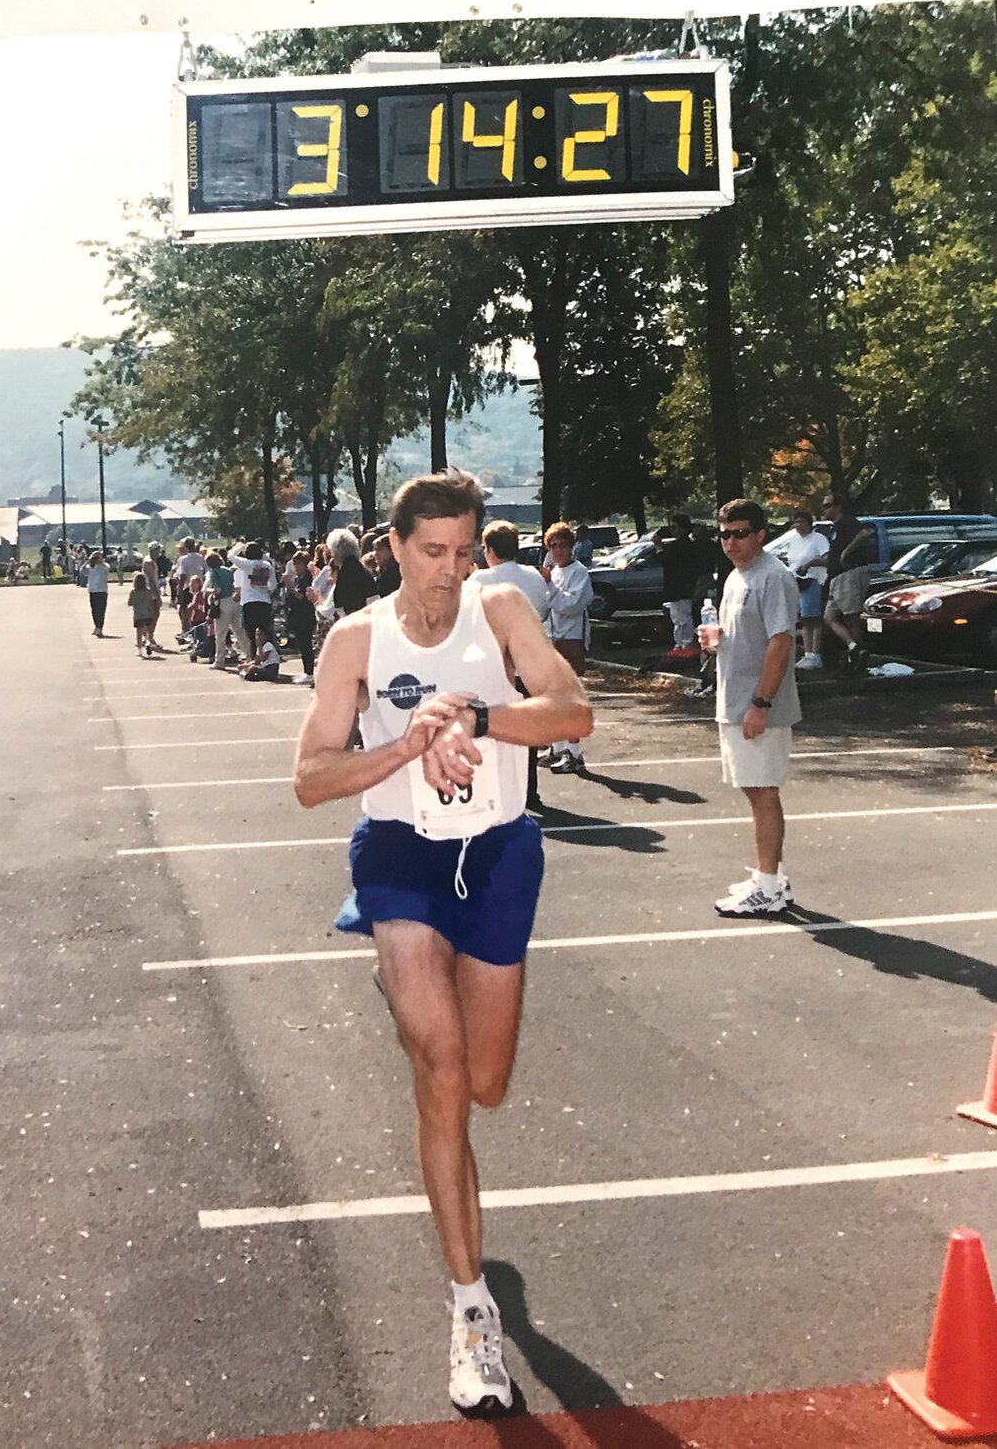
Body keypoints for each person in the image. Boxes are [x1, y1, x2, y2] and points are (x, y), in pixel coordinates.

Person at [293, 470, 593, 1416]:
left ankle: (424, 1005)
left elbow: (574, 711)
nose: (449, 572)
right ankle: (471, 1312)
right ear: (391, 548)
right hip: (401, 861)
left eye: (464, 551)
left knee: (487, 1085)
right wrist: (408, 743)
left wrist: (478, 717)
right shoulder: (356, 638)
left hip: (499, 856)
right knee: (440, 1068)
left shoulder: (500, 609)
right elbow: (309, 777)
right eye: (432, 553)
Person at [701, 499, 800, 917]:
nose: (731, 542)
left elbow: (781, 642)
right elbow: (748, 634)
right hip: (735, 701)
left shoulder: (773, 577)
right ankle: (770, 877)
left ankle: (768, 885)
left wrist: (761, 703)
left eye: (740, 533)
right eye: (724, 534)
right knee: (753, 789)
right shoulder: (736, 577)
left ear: (761, 534)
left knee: (762, 791)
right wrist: (717, 637)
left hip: (757, 706)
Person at [473, 519, 551, 811]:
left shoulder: (480, 581)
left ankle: (499, 789)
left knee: (494, 729)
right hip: (530, 663)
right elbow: (543, 611)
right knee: (527, 730)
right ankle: (530, 789)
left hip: (495, 665)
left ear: (490, 549)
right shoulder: (533, 576)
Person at [539, 521, 594, 775]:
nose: (558, 550)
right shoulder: (553, 572)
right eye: (553, 545)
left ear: (571, 547)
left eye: (563, 545)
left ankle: (575, 753)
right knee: (552, 697)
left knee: (569, 699)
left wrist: (549, 586)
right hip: (552, 638)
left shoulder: (579, 572)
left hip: (571, 639)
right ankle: (557, 746)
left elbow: (569, 606)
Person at [814, 492, 874, 673]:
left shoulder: (848, 522)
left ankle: (857, 660)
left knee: (851, 619)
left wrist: (846, 553)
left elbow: (864, 534)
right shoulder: (834, 529)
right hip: (836, 578)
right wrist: (811, 562)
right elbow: (831, 559)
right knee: (828, 618)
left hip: (849, 574)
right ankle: (854, 648)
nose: (824, 509)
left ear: (838, 506)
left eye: (827, 505)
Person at [783, 511, 831, 670]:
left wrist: (811, 563)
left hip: (812, 580)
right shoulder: (794, 540)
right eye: (796, 522)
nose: (798, 526)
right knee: (803, 619)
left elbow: (827, 559)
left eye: (801, 522)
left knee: (813, 618)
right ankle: (807, 653)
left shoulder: (818, 539)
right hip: (796, 581)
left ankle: (816, 654)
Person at [651, 514, 700, 658]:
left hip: (681, 587)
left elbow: (665, 560)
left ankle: (686, 644)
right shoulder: (679, 545)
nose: (672, 531)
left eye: (674, 527)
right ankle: (680, 644)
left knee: (683, 617)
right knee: (677, 618)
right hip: (676, 587)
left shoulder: (683, 546)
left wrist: (658, 547)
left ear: (683, 529)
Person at [228, 540, 277, 658]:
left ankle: (255, 658)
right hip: (264, 601)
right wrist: (267, 590)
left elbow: (230, 556)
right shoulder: (267, 565)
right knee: (266, 632)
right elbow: (273, 585)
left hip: (249, 602)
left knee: (251, 634)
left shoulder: (247, 565)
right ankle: (268, 657)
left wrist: (239, 546)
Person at [283, 548, 317, 685]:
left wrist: (290, 586)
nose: (296, 567)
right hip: (297, 614)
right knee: (301, 644)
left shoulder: (308, 578)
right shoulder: (298, 578)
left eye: (299, 564)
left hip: (306, 614)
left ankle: (310, 672)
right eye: (294, 564)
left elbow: (302, 596)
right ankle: (306, 670)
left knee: (306, 643)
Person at [327, 527, 376, 616]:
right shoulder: (363, 570)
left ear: (337, 552)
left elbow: (340, 605)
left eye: (332, 552)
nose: (332, 556)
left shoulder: (344, 574)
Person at [206, 551, 242, 669]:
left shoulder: (213, 572)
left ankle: (219, 660)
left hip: (222, 603)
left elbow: (218, 590)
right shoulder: (227, 570)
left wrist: (208, 591)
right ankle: (249, 655)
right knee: (238, 631)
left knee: (220, 633)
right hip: (234, 601)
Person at [173, 538, 207, 630]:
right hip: (200, 588)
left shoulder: (183, 559)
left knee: (184, 611)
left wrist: (179, 592)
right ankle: (196, 629)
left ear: (185, 546)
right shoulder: (201, 558)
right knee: (199, 611)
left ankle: (186, 629)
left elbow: (182, 576)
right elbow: (206, 572)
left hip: (188, 588)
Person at [141, 542, 166, 652]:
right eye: (158, 550)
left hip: (151, 592)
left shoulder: (151, 561)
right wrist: (157, 595)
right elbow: (151, 581)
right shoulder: (149, 562)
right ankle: (149, 637)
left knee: (153, 614)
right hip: (150, 593)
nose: (159, 553)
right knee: (154, 614)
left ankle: (148, 636)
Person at [127, 572, 157, 657]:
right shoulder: (148, 592)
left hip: (138, 614)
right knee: (146, 631)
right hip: (148, 614)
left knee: (139, 633)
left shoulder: (133, 592)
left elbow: (130, 603)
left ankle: (140, 650)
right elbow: (151, 602)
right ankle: (147, 642)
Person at [85, 550, 110, 636]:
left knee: (101, 610)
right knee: (94, 610)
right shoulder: (90, 567)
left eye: (97, 557)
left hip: (102, 591)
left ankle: (100, 628)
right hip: (93, 591)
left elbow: (107, 569)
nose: (96, 559)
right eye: (94, 557)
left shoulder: (105, 566)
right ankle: (97, 626)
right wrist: (88, 561)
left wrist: (101, 561)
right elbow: (82, 571)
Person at [373, 531, 402, 598]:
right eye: (375, 550)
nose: (375, 554)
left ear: (392, 550)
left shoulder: (394, 572)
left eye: (379, 549)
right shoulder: (383, 571)